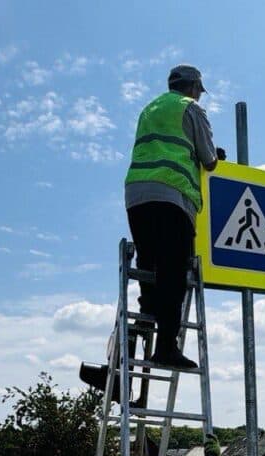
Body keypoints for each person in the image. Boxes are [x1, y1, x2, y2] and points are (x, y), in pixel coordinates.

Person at [80, 64, 225, 395]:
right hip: (172, 195)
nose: (199, 94)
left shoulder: (150, 108)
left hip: (137, 195)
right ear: (193, 87)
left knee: (148, 270)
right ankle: (166, 347)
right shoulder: (191, 109)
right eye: (200, 89)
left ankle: (127, 353)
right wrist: (215, 156)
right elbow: (208, 159)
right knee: (174, 272)